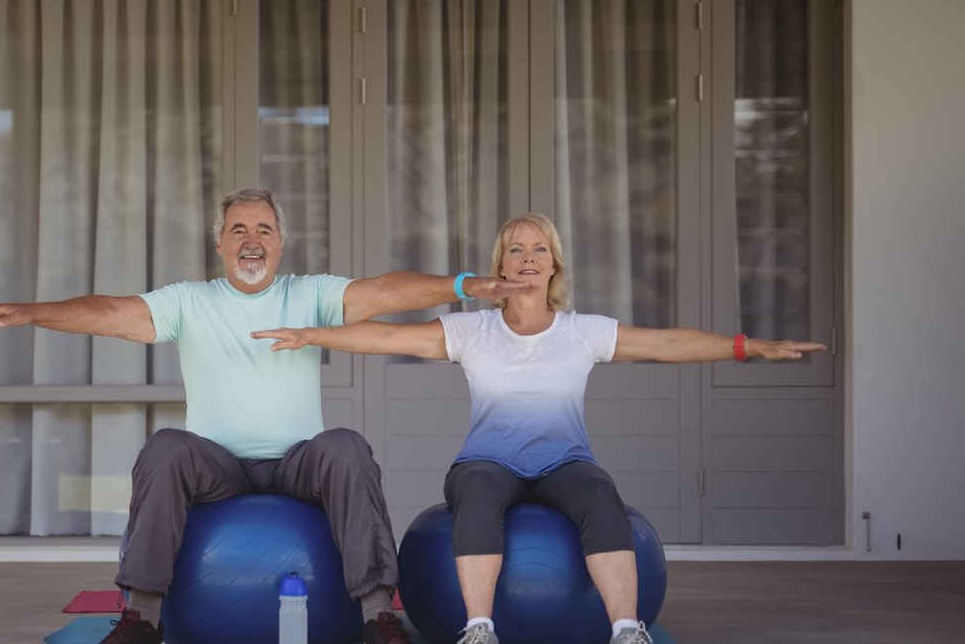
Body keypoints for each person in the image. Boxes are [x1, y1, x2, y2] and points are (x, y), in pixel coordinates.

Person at [0, 188, 531, 644]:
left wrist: (463, 285)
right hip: (219, 467)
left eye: (264, 230)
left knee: (346, 446)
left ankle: (378, 617)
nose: (251, 240)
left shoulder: (310, 293)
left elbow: (383, 292)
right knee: (164, 447)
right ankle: (142, 618)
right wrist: (33, 312)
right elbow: (109, 312)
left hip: (297, 464)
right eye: (239, 230)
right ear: (221, 246)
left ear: (281, 243)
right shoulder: (189, 301)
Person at [252, 212, 827, 644]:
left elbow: (668, 343)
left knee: (602, 496)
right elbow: (385, 336)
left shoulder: (582, 331)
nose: (528, 257)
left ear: (554, 264)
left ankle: (627, 629)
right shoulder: (472, 331)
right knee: (476, 494)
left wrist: (750, 346)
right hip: (487, 462)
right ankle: (479, 628)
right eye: (516, 248)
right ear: (500, 265)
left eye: (540, 248)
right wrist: (310, 335)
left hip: (564, 461)